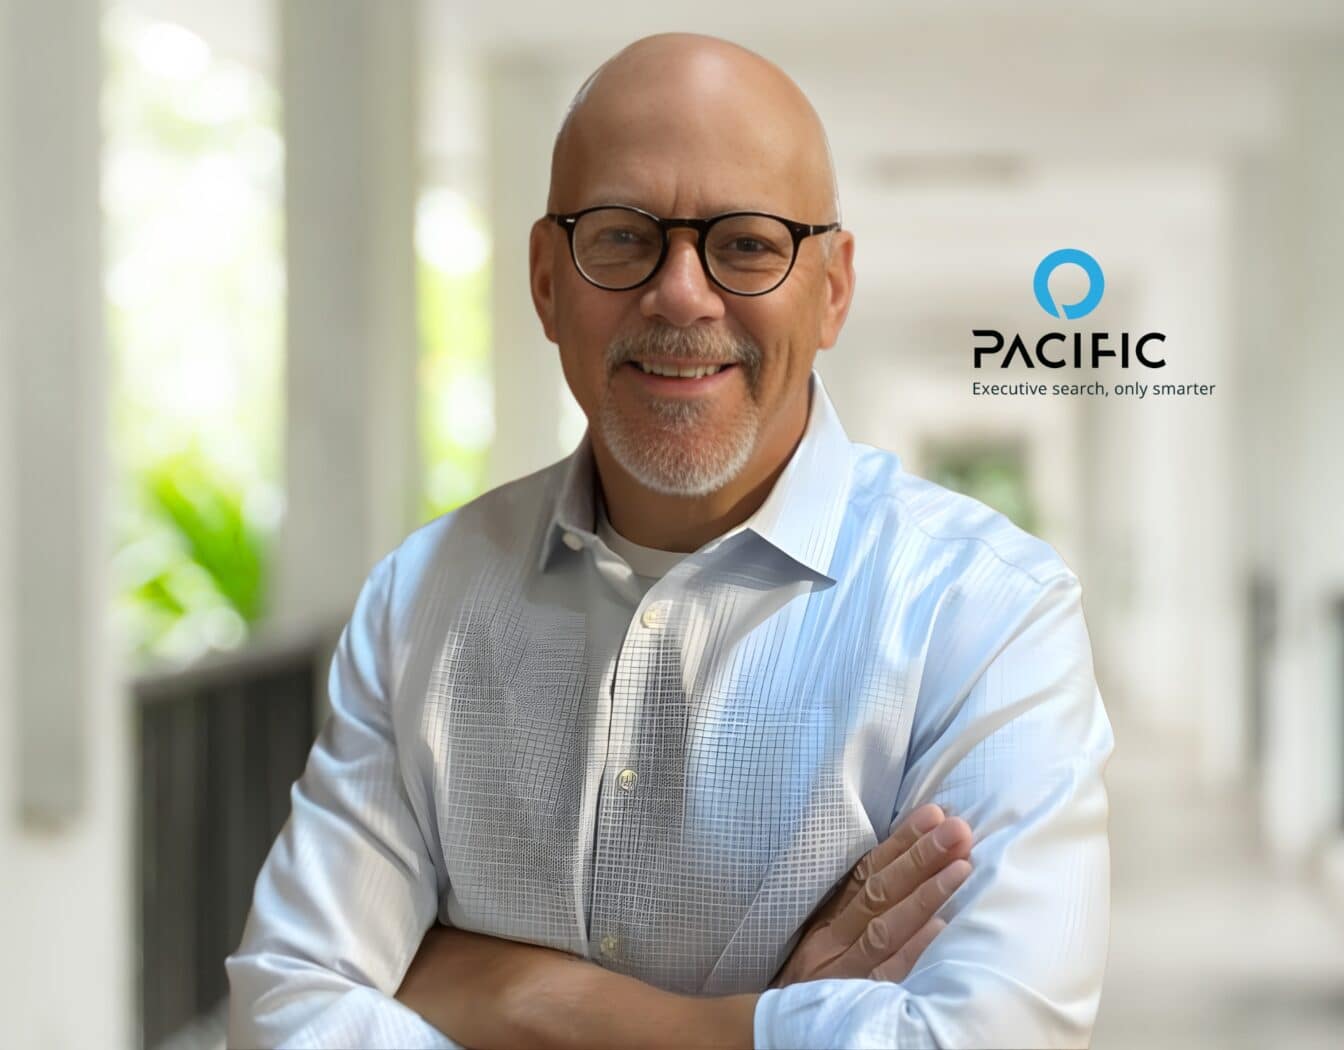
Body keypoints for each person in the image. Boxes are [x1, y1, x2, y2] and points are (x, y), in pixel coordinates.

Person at [227, 32, 1113, 1049]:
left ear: (831, 289)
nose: (681, 294)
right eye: (619, 235)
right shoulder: (422, 600)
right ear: (547, 280)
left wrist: (517, 999)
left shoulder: (988, 614)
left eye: (745, 243)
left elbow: (990, 1038)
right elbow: (285, 1012)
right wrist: (746, 1026)